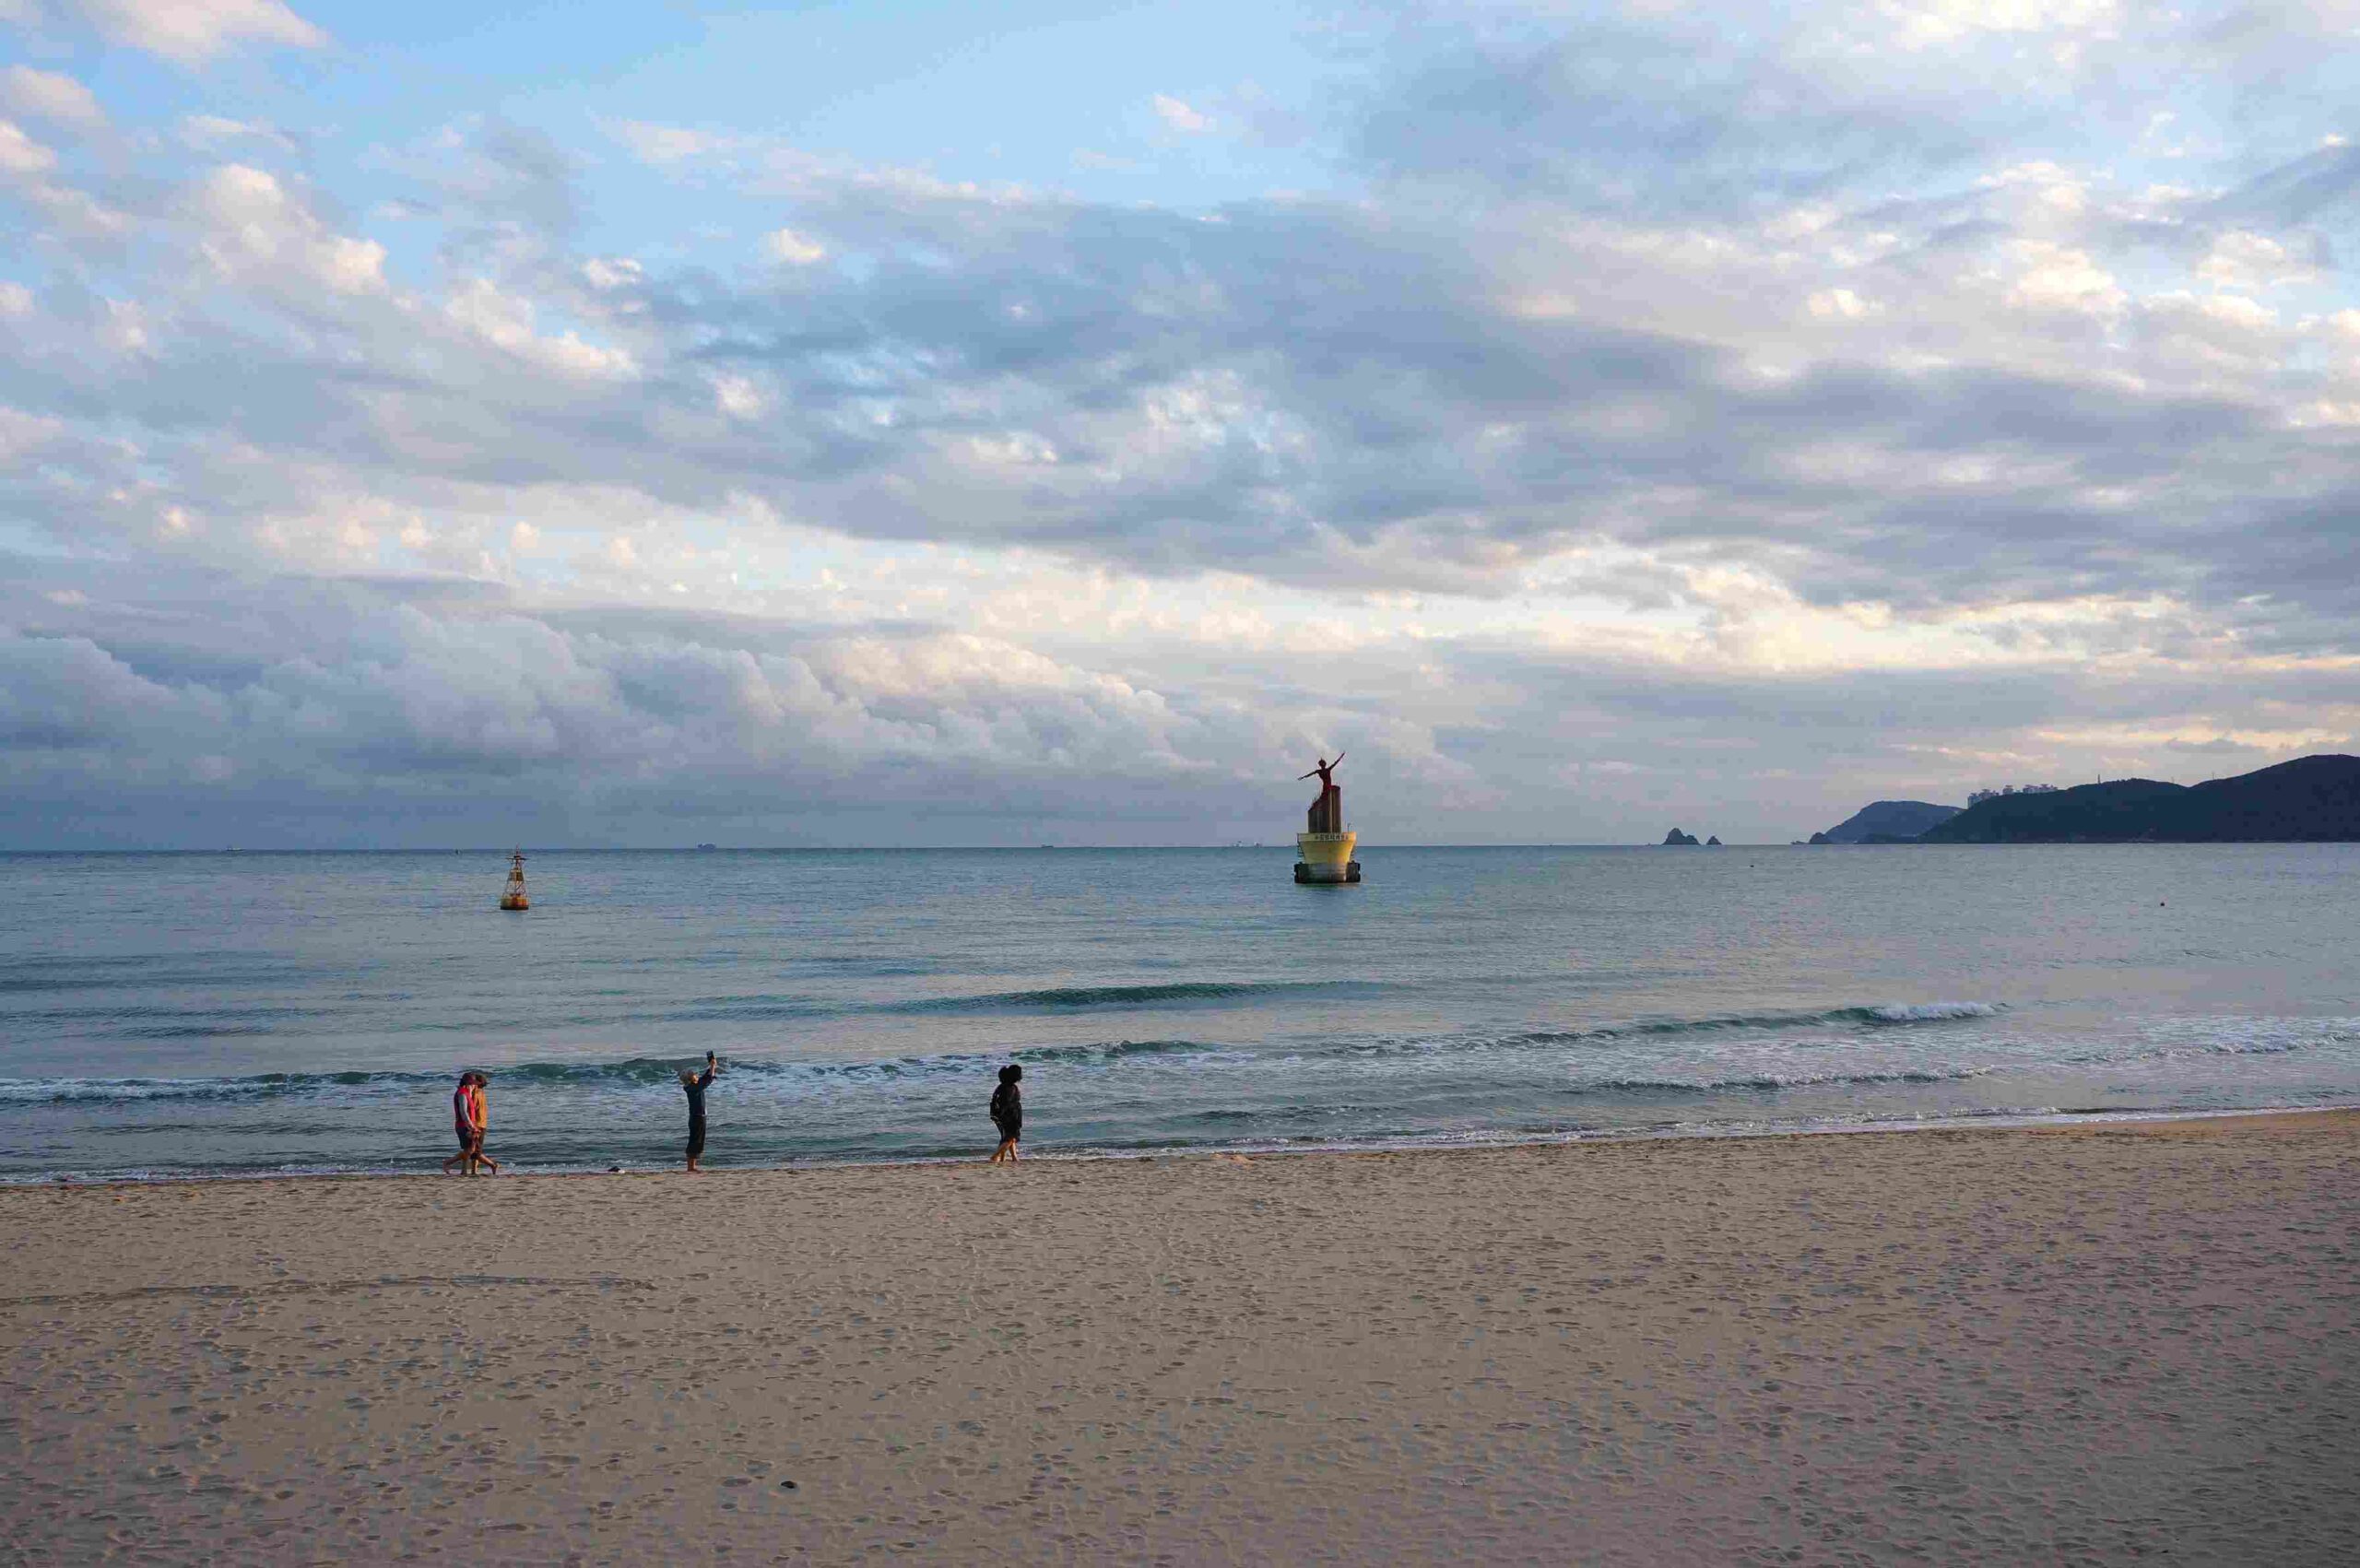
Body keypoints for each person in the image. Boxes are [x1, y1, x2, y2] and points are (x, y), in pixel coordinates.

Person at [680, 1052, 719, 1172]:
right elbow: (707, 1081)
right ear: (692, 1079)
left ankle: (692, 1166)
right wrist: (712, 1067)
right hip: (697, 1117)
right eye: (695, 1075)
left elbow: (705, 1079)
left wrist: (712, 1066)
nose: (697, 1075)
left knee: (696, 1141)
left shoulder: (692, 1087)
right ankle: (691, 1167)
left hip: (697, 1117)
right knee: (695, 1141)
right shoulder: (693, 1088)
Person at [987, 1063, 1022, 1162]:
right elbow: (1007, 1104)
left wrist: (997, 1115)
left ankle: (1011, 1158)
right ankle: (995, 1156)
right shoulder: (1010, 1088)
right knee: (1010, 1138)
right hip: (1009, 1116)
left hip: (999, 1115)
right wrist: (1005, 1116)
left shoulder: (1001, 1087)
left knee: (1008, 1137)